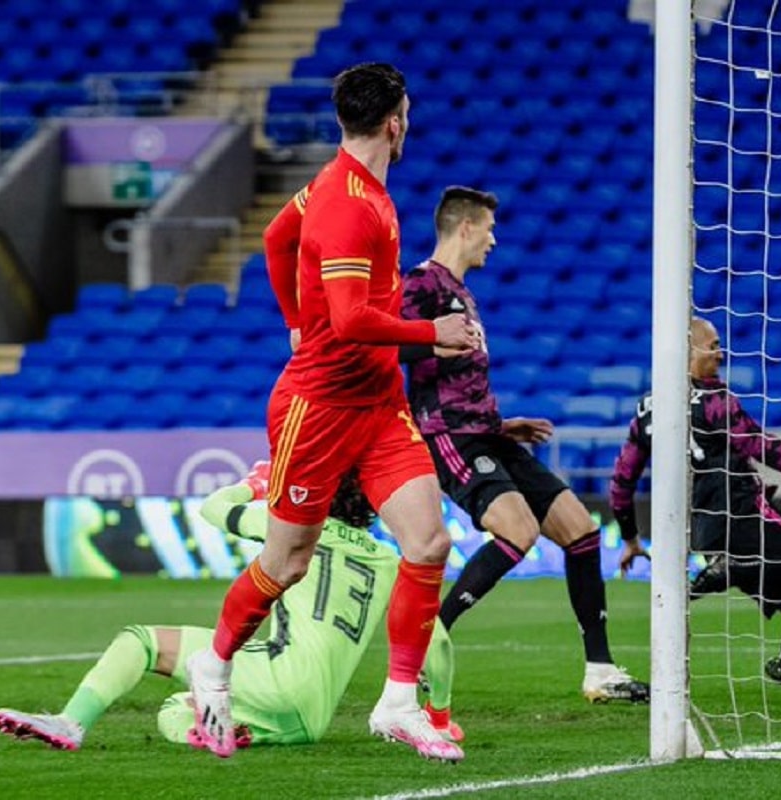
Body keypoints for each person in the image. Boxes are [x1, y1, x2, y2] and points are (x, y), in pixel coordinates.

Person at [186, 63, 479, 762]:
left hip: (378, 405)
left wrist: (292, 317)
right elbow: (349, 320)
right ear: (395, 123)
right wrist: (429, 333)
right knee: (286, 562)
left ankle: (399, 703)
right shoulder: (348, 204)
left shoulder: (338, 185)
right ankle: (215, 663)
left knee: (429, 543)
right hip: (317, 409)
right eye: (408, 112)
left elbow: (275, 242)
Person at [0, 464, 462, 751]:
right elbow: (434, 639)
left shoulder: (292, 527)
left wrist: (254, 485)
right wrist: (438, 715)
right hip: (310, 717)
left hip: (275, 674)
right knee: (176, 710)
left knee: (141, 640)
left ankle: (70, 723)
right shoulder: (388, 561)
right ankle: (239, 731)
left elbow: (214, 508)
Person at [400, 186, 649, 704]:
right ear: (465, 227)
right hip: (452, 439)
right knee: (518, 530)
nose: (494, 239)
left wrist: (503, 422)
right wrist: (425, 336)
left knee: (580, 531)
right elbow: (383, 342)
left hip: (489, 433)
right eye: (489, 228)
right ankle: (428, 639)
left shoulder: (463, 293)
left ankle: (600, 671)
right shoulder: (422, 284)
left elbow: (458, 377)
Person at [609, 317, 781, 696]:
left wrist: (630, 539)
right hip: (745, 518)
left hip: (708, 536)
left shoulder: (647, 409)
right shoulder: (715, 402)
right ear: (685, 350)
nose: (720, 353)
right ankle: (735, 569)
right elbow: (762, 447)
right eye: (711, 345)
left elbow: (621, 482)